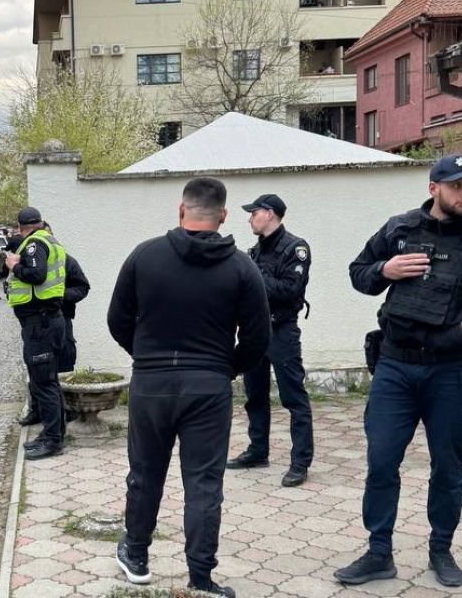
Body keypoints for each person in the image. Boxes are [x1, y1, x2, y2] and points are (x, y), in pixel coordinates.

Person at [337, 154, 462, 587]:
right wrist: (383, 270)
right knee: (381, 460)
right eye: (456, 186)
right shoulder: (400, 229)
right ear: (434, 188)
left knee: (447, 466)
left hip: (450, 371)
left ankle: (441, 549)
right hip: (395, 366)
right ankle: (378, 553)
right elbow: (358, 274)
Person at [107, 178, 271, 596]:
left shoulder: (145, 256)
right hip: (209, 388)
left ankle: (138, 557)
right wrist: (223, 368)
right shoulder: (241, 266)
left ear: (181, 211)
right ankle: (201, 577)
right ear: (223, 215)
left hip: (152, 385)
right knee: (203, 482)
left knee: (145, 473)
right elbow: (257, 339)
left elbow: (117, 320)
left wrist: (146, 357)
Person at [228, 194, 314, 488]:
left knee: (293, 398)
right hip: (254, 332)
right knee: (255, 395)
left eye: (253, 212)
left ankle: (300, 462)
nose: (249, 218)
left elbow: (289, 290)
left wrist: (254, 275)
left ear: (269, 213)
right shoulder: (254, 252)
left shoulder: (296, 248)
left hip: (281, 331)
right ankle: (257, 451)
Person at [5, 206, 67, 461]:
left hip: (40, 323)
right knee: (47, 380)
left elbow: (36, 275)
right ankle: (53, 432)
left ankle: (53, 440)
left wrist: (14, 265)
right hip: (45, 320)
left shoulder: (33, 245)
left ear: (21, 227)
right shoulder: (49, 240)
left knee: (44, 383)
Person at [17, 222, 91, 428]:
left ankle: (66, 410)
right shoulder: (30, 259)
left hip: (62, 319)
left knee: (64, 364)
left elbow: (83, 287)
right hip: (38, 322)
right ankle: (37, 410)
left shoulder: (67, 261)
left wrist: (60, 295)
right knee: (36, 367)